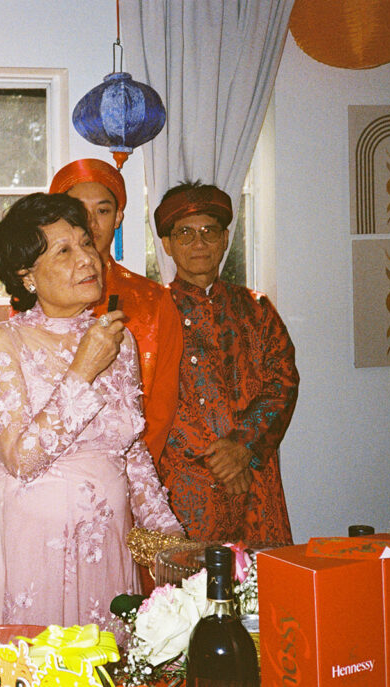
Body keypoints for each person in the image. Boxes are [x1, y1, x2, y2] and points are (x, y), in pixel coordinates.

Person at [0, 193, 182, 627]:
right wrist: (83, 367)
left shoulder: (117, 340)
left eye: (86, 244)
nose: (88, 259)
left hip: (108, 541)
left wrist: (170, 540)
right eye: (64, 251)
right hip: (36, 544)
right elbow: (20, 458)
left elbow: (131, 451)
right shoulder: (3, 340)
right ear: (26, 275)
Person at [154, 181, 298, 543]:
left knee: (261, 589)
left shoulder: (257, 309)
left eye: (209, 231)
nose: (199, 243)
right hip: (184, 484)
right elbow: (148, 398)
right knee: (186, 593)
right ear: (167, 245)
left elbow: (282, 384)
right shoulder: (152, 314)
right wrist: (219, 459)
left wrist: (243, 447)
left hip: (254, 477)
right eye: (184, 233)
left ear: (225, 239)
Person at [50, 159, 183, 462]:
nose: (90, 223)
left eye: (103, 210)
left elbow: (160, 410)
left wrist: (126, 478)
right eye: (77, 210)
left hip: (126, 475)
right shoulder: (34, 298)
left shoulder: (153, 302)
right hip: (49, 472)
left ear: (119, 217)